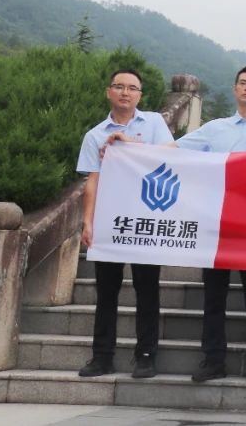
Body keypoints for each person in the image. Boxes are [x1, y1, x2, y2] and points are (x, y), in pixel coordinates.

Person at [175, 65, 246, 383]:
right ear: (235, 89)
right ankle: (213, 359)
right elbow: (175, 150)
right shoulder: (215, 129)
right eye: (243, 83)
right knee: (214, 296)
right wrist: (129, 146)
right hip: (217, 222)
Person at [75, 69, 173, 379]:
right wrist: (87, 221)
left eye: (132, 88)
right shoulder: (95, 135)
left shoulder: (154, 123)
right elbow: (92, 181)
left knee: (147, 289)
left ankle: (146, 355)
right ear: (109, 92)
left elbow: (172, 154)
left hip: (147, 218)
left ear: (140, 95)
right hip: (110, 220)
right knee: (106, 292)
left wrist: (128, 144)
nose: (125, 92)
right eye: (119, 87)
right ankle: (101, 356)